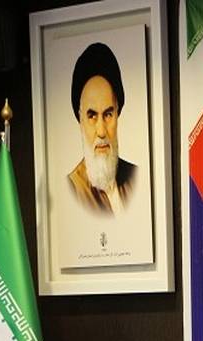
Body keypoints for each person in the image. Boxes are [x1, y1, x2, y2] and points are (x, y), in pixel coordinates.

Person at [67, 41, 136, 214]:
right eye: (92, 116)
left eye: (108, 114)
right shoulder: (73, 189)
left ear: (117, 113)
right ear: (80, 118)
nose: (101, 131)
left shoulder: (135, 177)